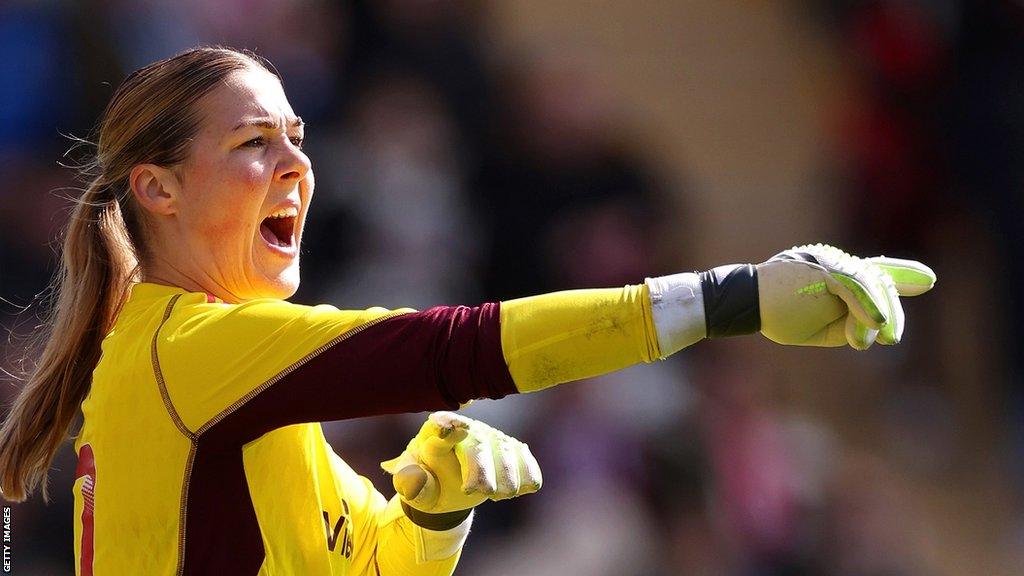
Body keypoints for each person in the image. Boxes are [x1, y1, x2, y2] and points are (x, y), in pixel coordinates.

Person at [0, 47, 934, 575]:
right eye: (254, 142)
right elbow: (459, 348)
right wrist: (731, 298)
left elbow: (378, 569)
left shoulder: (225, 389)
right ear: (156, 189)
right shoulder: (190, 348)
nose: (296, 165)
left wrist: (436, 516)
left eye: (297, 137)